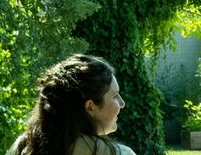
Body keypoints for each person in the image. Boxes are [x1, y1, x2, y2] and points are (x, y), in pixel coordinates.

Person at [7, 54, 136, 155]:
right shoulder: (121, 153)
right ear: (90, 107)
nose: (122, 103)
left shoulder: (24, 147)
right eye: (114, 96)